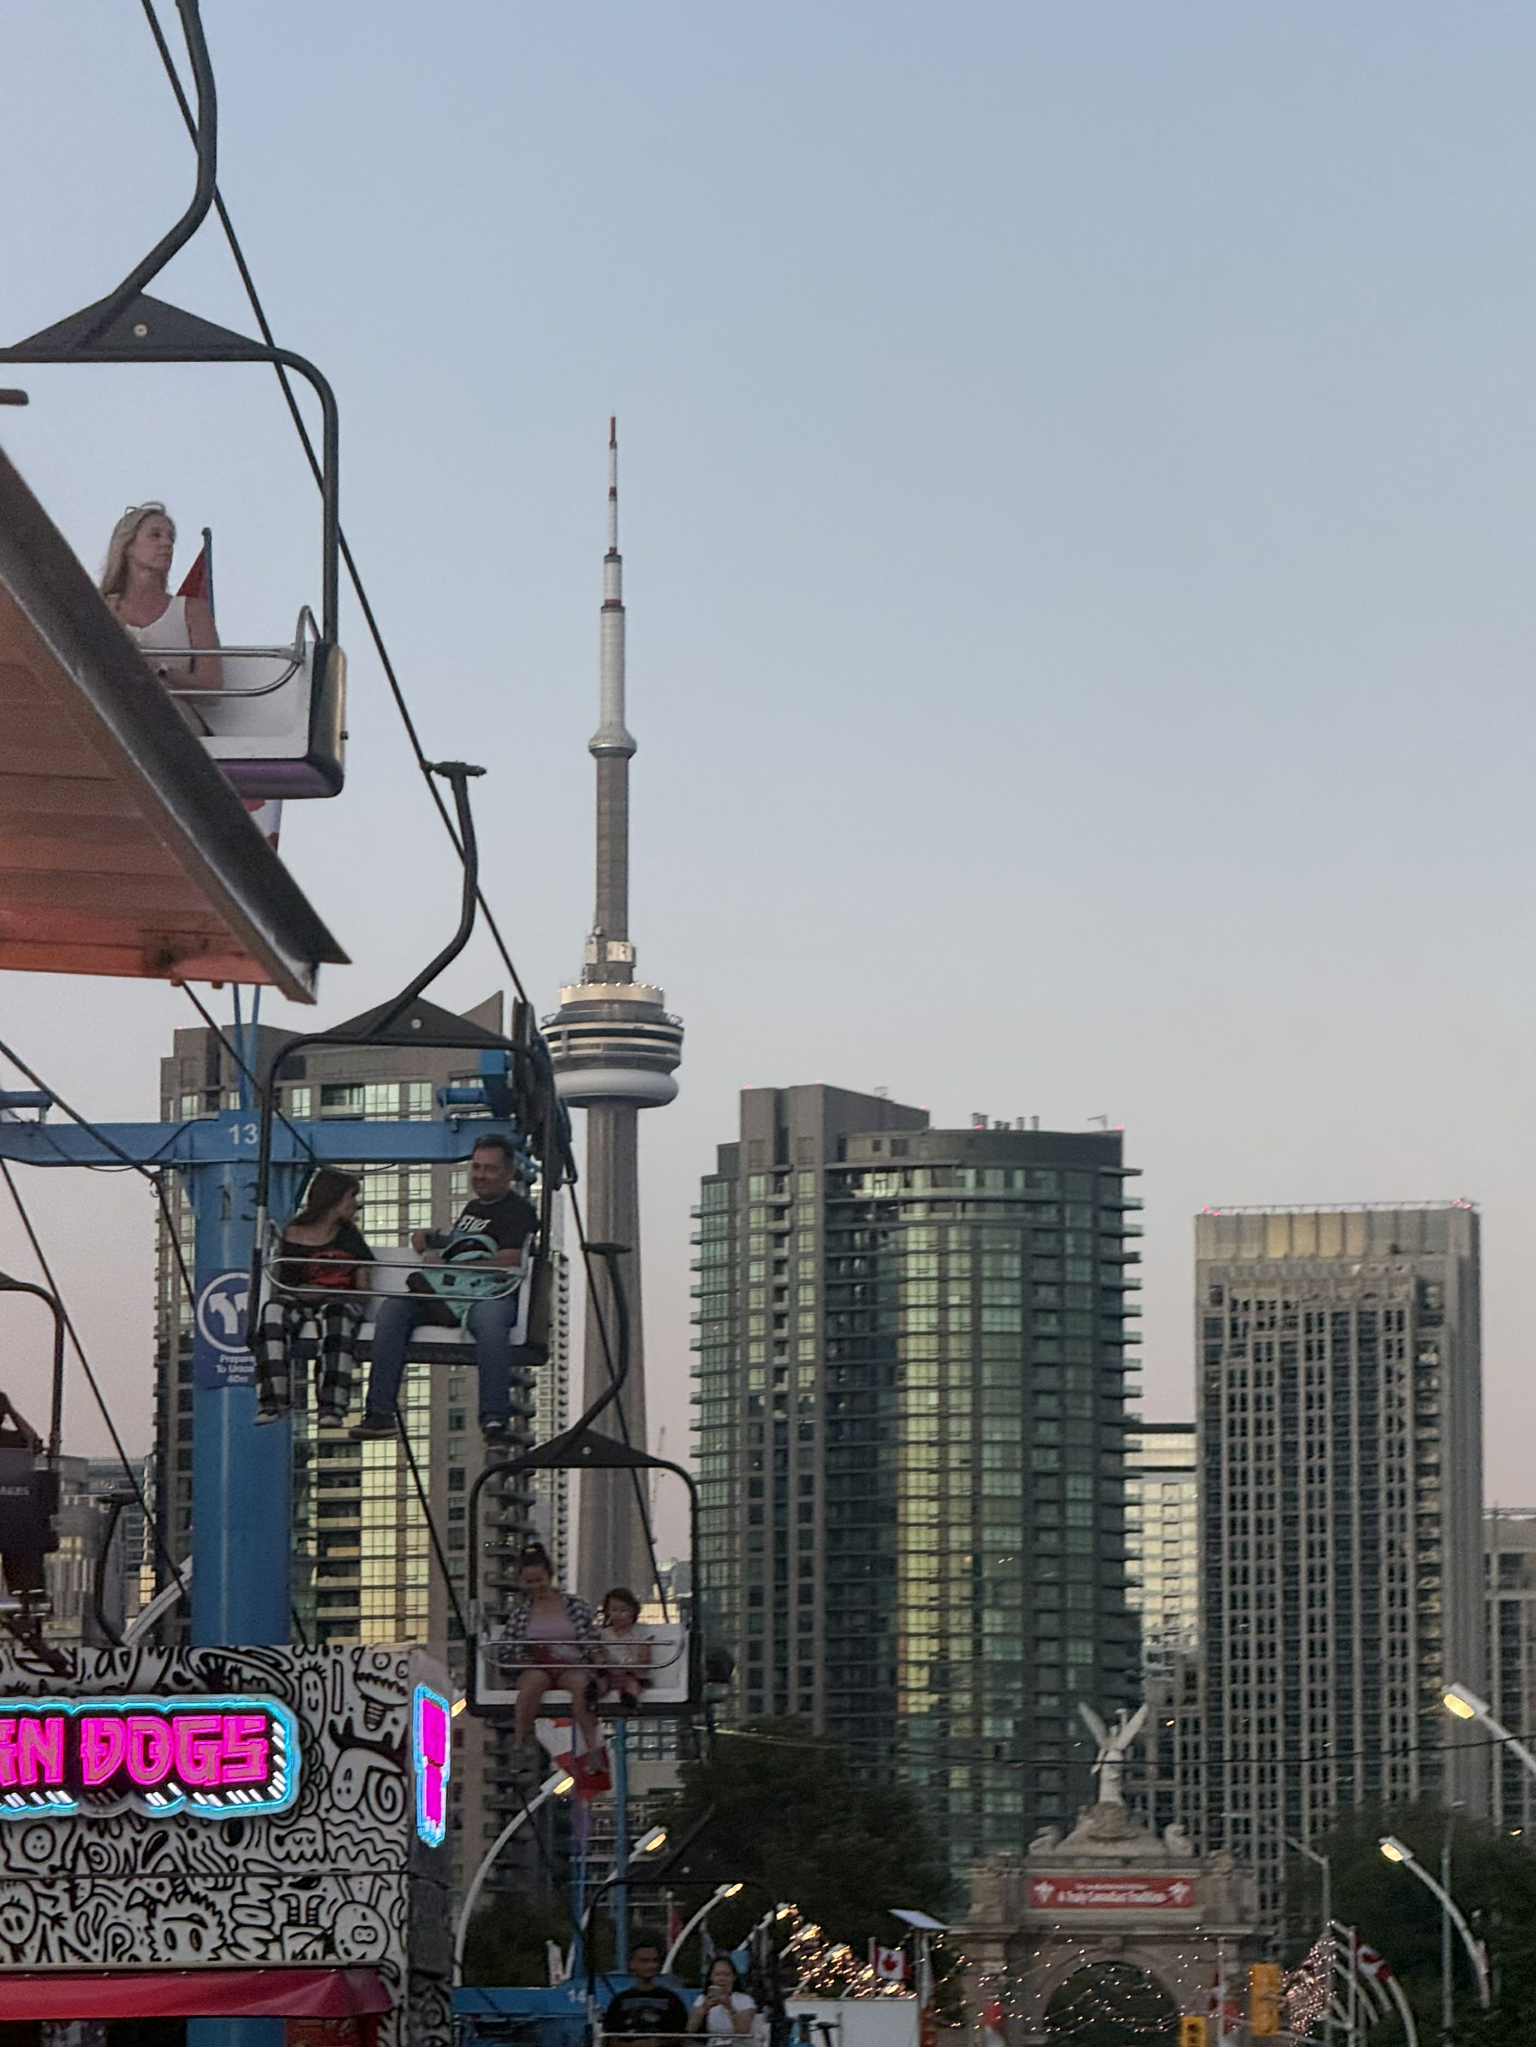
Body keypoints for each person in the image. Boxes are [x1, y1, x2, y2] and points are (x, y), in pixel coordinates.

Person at [352, 1133, 538, 1443]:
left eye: (490, 1169)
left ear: (508, 1174)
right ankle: (379, 1412)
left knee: (492, 1324)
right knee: (394, 1309)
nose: (480, 1175)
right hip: (448, 1294)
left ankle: (494, 1417)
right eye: (476, 1167)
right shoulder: (474, 1208)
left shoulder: (518, 1212)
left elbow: (510, 1260)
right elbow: (462, 1243)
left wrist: (451, 1266)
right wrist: (432, 1238)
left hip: (487, 1295)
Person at [253, 1169, 374, 1426]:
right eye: (351, 1197)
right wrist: (304, 1292)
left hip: (338, 1300)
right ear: (334, 1199)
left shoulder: (350, 1238)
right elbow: (282, 1284)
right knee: (274, 1311)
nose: (355, 1204)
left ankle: (332, 1406)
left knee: (336, 1316)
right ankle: (273, 1399)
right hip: (298, 1298)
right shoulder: (291, 1235)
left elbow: (364, 1288)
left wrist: (330, 1292)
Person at [491, 1543, 605, 1762]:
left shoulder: (575, 1606)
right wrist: (525, 1658)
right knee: (532, 1684)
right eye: (529, 1582)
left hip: (570, 1664)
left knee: (581, 1688)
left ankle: (592, 1748)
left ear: (549, 1576)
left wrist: (598, 1660)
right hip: (537, 1665)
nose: (536, 1587)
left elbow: (590, 1637)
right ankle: (520, 1743)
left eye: (539, 1580)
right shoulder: (521, 1614)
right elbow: (507, 1648)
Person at [100, 503, 222, 699]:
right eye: (155, 535)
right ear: (128, 546)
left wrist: (160, 670)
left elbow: (212, 687)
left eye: (170, 538)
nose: (166, 543)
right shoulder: (102, 608)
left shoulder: (192, 611)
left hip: (170, 713)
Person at [604, 1935, 690, 2038]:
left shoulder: (672, 1999)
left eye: (655, 1960)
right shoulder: (619, 2001)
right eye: (644, 1961)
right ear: (632, 1964)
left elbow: (680, 2036)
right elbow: (610, 2037)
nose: (651, 1965)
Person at [598, 1586, 654, 1705]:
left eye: (623, 1610)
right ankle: (593, 1697)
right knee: (601, 1681)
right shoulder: (603, 1634)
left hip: (634, 1673)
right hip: (611, 1673)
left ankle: (629, 1699)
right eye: (614, 1610)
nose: (618, 1615)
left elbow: (645, 1658)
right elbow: (602, 1654)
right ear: (607, 1611)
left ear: (633, 1611)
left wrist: (631, 1666)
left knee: (631, 1682)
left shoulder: (642, 1631)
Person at [688, 1958, 756, 2039]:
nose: (722, 1979)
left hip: (738, 2043)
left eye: (727, 1975)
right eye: (717, 1975)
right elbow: (690, 2029)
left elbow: (743, 2031)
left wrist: (729, 2007)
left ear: (734, 1977)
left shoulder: (745, 2000)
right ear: (711, 1977)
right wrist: (704, 2008)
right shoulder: (702, 1998)